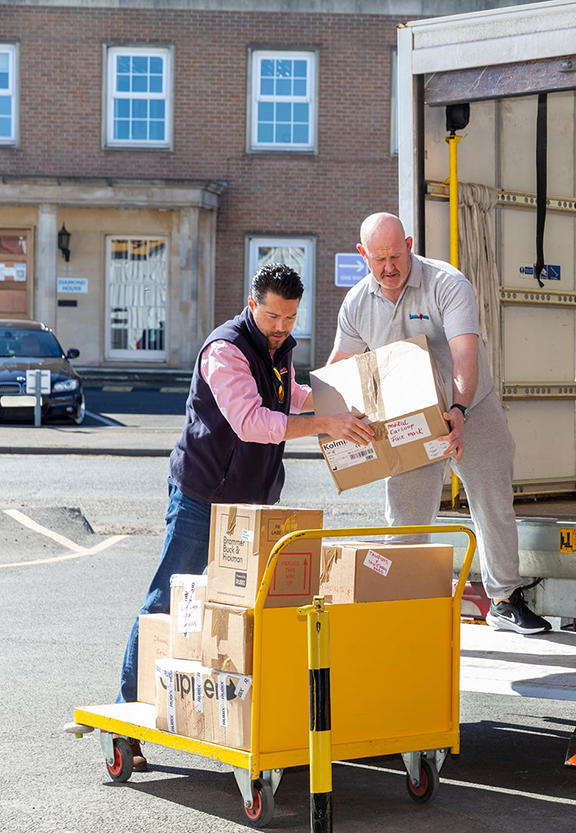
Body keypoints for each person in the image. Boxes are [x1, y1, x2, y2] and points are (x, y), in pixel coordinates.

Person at [115, 263, 371, 769]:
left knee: (251, 612)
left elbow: (287, 396)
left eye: (290, 317)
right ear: (252, 303)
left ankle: (245, 717)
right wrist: (324, 422)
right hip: (201, 495)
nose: (281, 326)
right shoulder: (224, 350)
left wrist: (339, 401)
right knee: (167, 598)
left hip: (252, 501)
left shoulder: (279, 350)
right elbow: (252, 421)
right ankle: (127, 717)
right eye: (273, 315)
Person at [328, 212, 550, 635]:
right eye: (379, 259)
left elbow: (465, 352)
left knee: (492, 501)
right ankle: (400, 604)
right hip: (408, 418)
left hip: (470, 408)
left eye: (396, 255)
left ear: (410, 244)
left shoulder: (447, 283)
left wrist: (459, 410)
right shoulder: (356, 303)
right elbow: (341, 368)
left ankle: (503, 599)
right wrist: (330, 416)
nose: (389, 267)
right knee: (406, 517)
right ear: (363, 255)